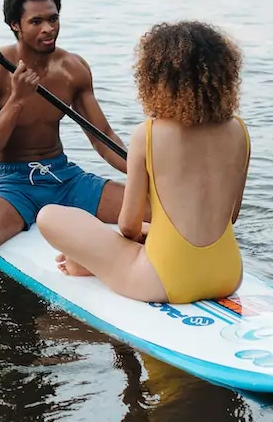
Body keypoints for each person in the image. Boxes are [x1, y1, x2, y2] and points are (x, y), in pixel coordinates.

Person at [37, 20, 249, 304]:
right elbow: (230, 217)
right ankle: (95, 262)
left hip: (164, 280)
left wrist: (129, 239)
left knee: (49, 215)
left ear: (154, 78)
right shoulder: (239, 131)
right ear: (223, 75)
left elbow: (127, 226)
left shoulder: (148, 134)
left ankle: (90, 266)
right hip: (228, 274)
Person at [0, 0, 128, 260]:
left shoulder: (73, 68)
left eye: (53, 19)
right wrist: (17, 99)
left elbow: (104, 138)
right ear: (15, 24)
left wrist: (144, 174)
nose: (49, 29)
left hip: (64, 178)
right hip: (13, 183)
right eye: (36, 22)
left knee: (155, 209)